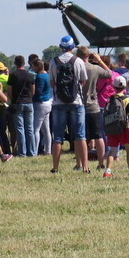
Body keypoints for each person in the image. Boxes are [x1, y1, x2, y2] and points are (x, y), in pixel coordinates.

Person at [49, 35, 89, 173]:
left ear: (60, 47)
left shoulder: (53, 62)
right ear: (72, 47)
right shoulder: (78, 61)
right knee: (80, 136)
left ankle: (55, 167)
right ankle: (85, 167)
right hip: (76, 101)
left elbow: (52, 82)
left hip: (58, 103)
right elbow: (83, 81)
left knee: (58, 137)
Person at [102, 76, 129, 178]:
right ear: (125, 87)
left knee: (112, 150)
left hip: (112, 127)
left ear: (114, 87)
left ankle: (108, 171)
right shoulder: (126, 99)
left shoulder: (110, 99)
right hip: (124, 128)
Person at [77, 47, 108, 169]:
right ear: (89, 55)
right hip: (94, 104)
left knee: (81, 137)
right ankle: (101, 163)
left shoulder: (77, 68)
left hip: (80, 104)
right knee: (99, 135)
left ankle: (80, 163)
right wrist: (99, 60)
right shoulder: (95, 68)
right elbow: (108, 74)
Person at [7, 55, 36, 157]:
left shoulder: (12, 75)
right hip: (29, 102)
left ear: (15, 63)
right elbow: (33, 91)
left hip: (17, 103)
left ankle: (22, 152)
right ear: (24, 63)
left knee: (20, 129)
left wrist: (12, 100)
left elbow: (9, 91)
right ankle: (32, 152)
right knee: (30, 128)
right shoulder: (30, 75)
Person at [31, 59, 52, 156]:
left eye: (33, 66)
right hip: (48, 103)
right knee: (46, 129)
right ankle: (48, 150)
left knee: (36, 129)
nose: (32, 68)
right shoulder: (47, 75)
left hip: (40, 103)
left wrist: (32, 97)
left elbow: (38, 91)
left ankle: (34, 151)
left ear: (36, 67)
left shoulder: (39, 77)